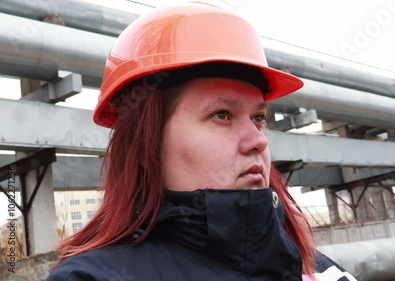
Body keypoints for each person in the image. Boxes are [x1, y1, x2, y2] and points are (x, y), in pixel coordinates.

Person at [46, 2, 356, 281]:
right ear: (147, 145)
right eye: (222, 115)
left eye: (258, 118)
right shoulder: (91, 278)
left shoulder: (320, 272)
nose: (257, 141)